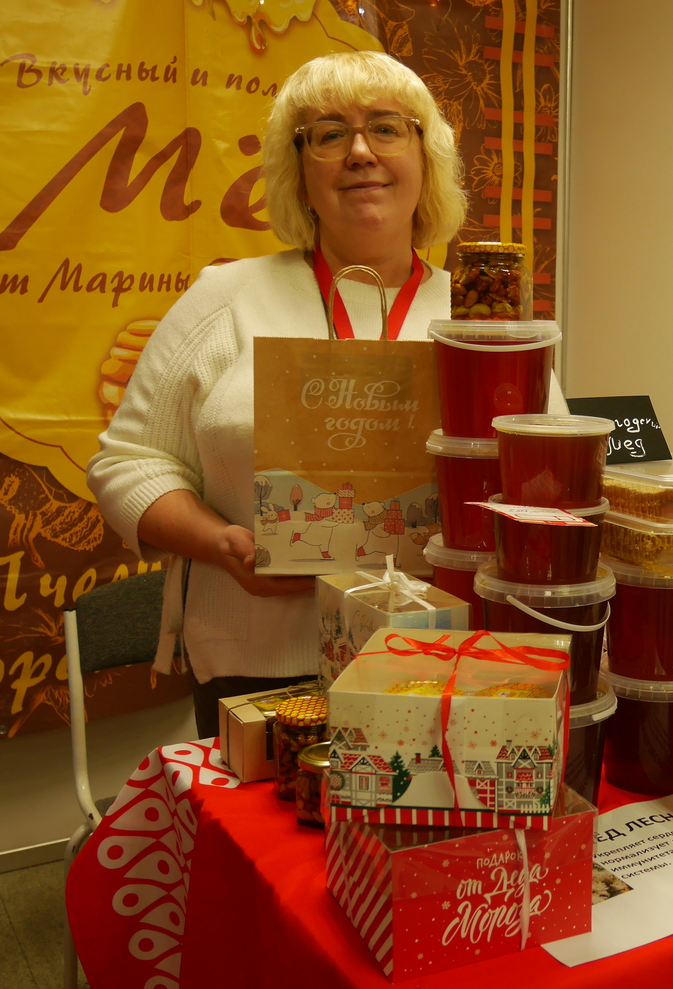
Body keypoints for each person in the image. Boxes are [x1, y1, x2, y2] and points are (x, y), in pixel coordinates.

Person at [88, 51, 471, 737]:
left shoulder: (482, 323)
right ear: (299, 172)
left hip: (440, 658)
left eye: (386, 128)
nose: (360, 152)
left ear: (426, 157)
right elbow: (128, 464)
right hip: (256, 668)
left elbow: (543, 488)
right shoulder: (225, 300)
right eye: (329, 134)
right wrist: (221, 544)